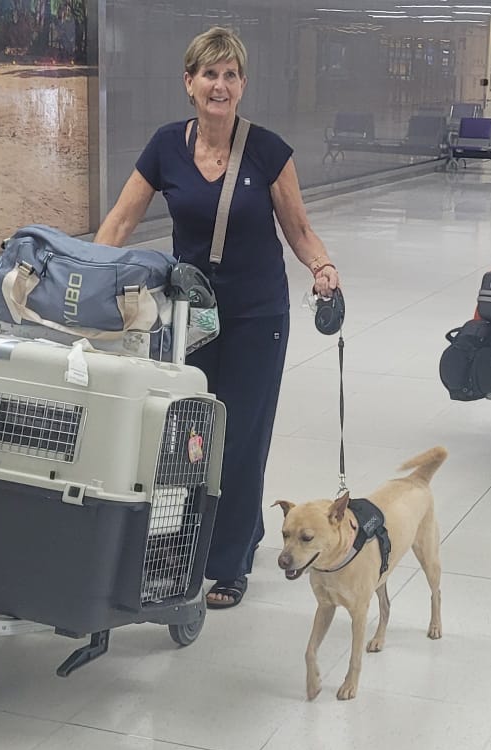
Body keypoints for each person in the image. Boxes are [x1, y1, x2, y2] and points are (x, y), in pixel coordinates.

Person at [94, 26, 339, 610]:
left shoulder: (268, 151)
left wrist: (323, 268)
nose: (220, 85)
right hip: (192, 316)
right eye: (210, 74)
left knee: (242, 436)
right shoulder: (166, 147)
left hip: (258, 313)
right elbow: (121, 221)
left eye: (230, 75)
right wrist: (87, 273)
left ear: (242, 85)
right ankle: (200, 541)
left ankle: (229, 564)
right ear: (189, 82)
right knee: (191, 435)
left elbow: (299, 229)